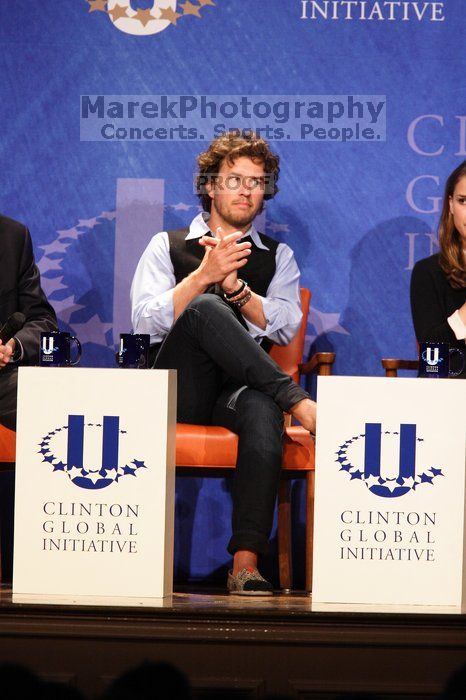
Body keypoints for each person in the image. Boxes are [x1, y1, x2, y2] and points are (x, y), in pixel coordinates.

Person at [131, 131, 316, 595]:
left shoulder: (278, 258)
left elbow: (284, 327)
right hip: (177, 390)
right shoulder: (166, 245)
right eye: (234, 179)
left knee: (260, 410)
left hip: (237, 393)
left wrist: (237, 290)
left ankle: (245, 563)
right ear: (210, 185)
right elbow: (143, 323)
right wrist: (204, 279)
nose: (246, 190)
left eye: (256, 182)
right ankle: (296, 400)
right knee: (204, 309)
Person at [0, 214, 58, 430]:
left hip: (3, 380)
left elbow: (42, 319)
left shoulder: (13, 236)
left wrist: (11, 347)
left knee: (59, 401)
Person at [410, 161, 466, 378]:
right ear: (451, 205)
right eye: (464, 201)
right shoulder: (429, 272)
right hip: (447, 395)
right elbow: (432, 355)